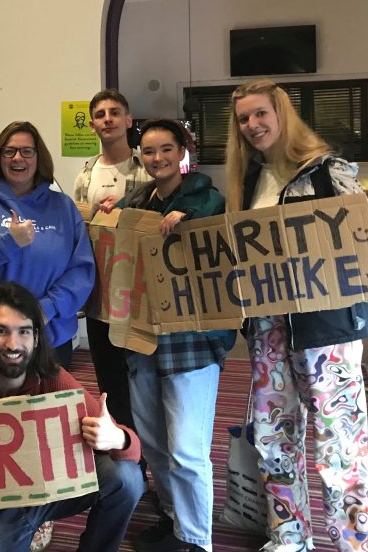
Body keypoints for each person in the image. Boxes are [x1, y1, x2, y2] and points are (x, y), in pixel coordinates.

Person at [225, 79, 368, 552]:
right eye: (244, 119)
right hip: (268, 330)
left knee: (340, 445)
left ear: (282, 115)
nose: (252, 125)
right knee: (274, 438)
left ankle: (354, 543)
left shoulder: (329, 172)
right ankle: (288, 535)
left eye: (260, 114)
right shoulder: (249, 181)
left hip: (327, 327)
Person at [0, 282, 143, 552]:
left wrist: (117, 438)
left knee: (128, 479)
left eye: (24, 331)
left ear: (36, 338)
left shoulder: (52, 378)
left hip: (49, 490)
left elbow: (134, 452)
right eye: (1, 331)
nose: (13, 343)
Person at [114, 119, 234, 552]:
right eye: (149, 151)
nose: (158, 158)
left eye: (166, 149)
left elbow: (219, 235)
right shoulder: (137, 201)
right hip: (143, 337)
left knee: (186, 449)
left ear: (182, 151)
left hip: (190, 341)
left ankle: (196, 541)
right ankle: (173, 520)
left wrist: (191, 219)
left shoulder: (206, 196)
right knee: (156, 446)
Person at [0, 121, 95, 369]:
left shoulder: (63, 206)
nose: (17, 158)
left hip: (51, 335)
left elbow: (82, 270)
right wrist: (9, 244)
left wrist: (45, 308)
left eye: (26, 151)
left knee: (49, 406)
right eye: (9, 151)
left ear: (38, 157)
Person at [72, 89, 149, 435]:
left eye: (114, 112)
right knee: (109, 377)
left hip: (138, 291)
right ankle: (124, 449)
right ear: (92, 125)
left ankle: (148, 450)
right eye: (100, 114)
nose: (107, 119)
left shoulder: (147, 169)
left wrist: (124, 214)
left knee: (142, 377)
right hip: (100, 293)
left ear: (128, 120)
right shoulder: (85, 176)